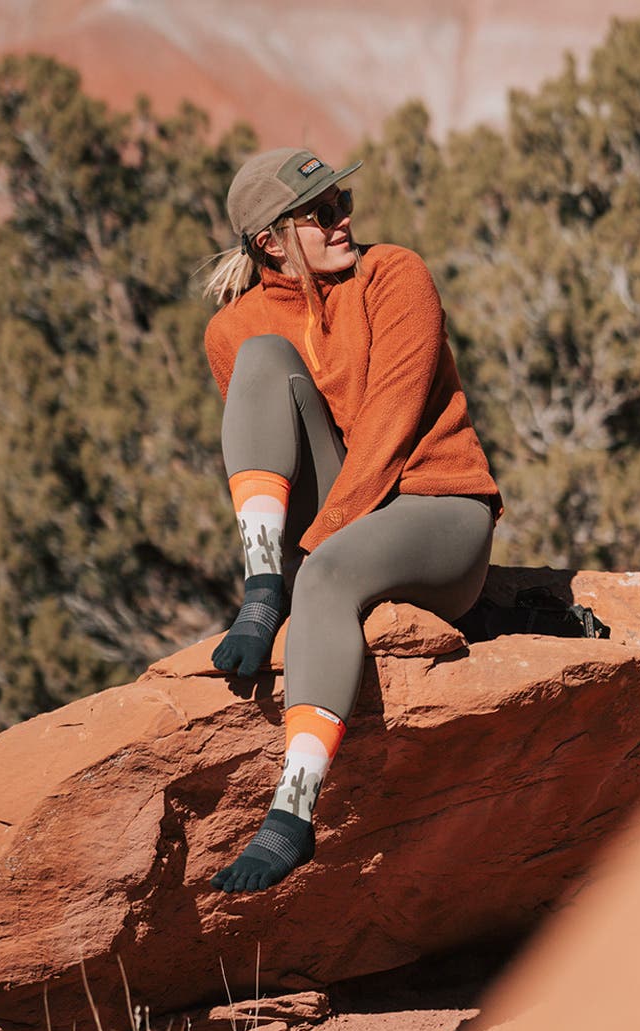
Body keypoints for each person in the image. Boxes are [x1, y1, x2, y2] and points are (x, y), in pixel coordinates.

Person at [201, 147, 502, 893]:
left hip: (437, 508)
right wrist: (287, 568)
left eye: (343, 203)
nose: (345, 221)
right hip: (343, 517)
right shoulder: (233, 330)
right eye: (322, 213)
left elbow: (390, 430)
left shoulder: (394, 274)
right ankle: (261, 583)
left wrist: (318, 552)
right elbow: (281, 455)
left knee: (329, 579)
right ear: (270, 241)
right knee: (264, 361)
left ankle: (292, 814)